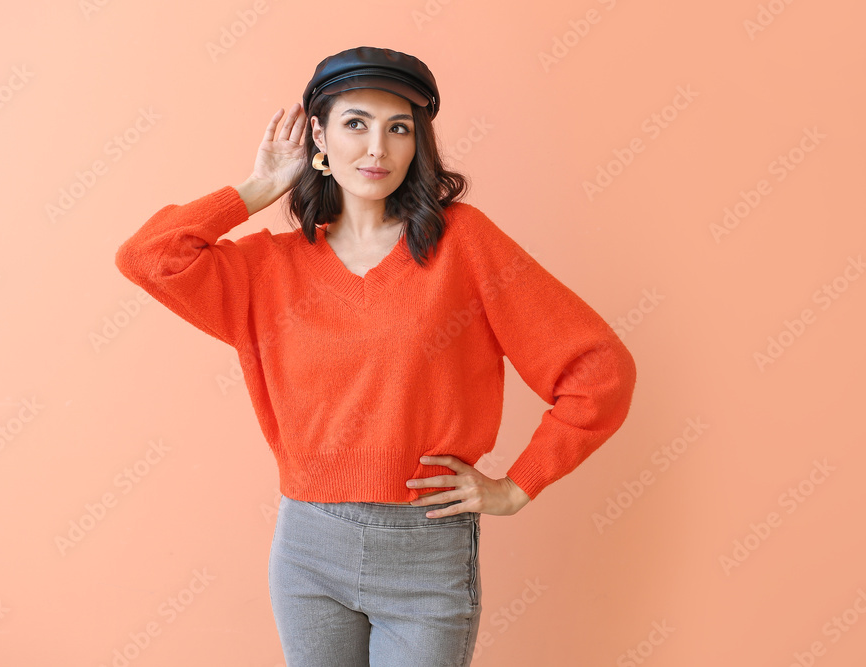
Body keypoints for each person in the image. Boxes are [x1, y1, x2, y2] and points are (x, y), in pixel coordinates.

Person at [115, 45, 637, 667]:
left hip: (426, 549)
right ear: (319, 134)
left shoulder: (462, 243)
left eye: (399, 129)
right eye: (356, 123)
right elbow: (147, 257)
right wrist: (258, 188)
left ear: (419, 144)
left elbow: (599, 369)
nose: (377, 150)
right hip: (309, 549)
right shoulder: (268, 269)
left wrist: (519, 486)